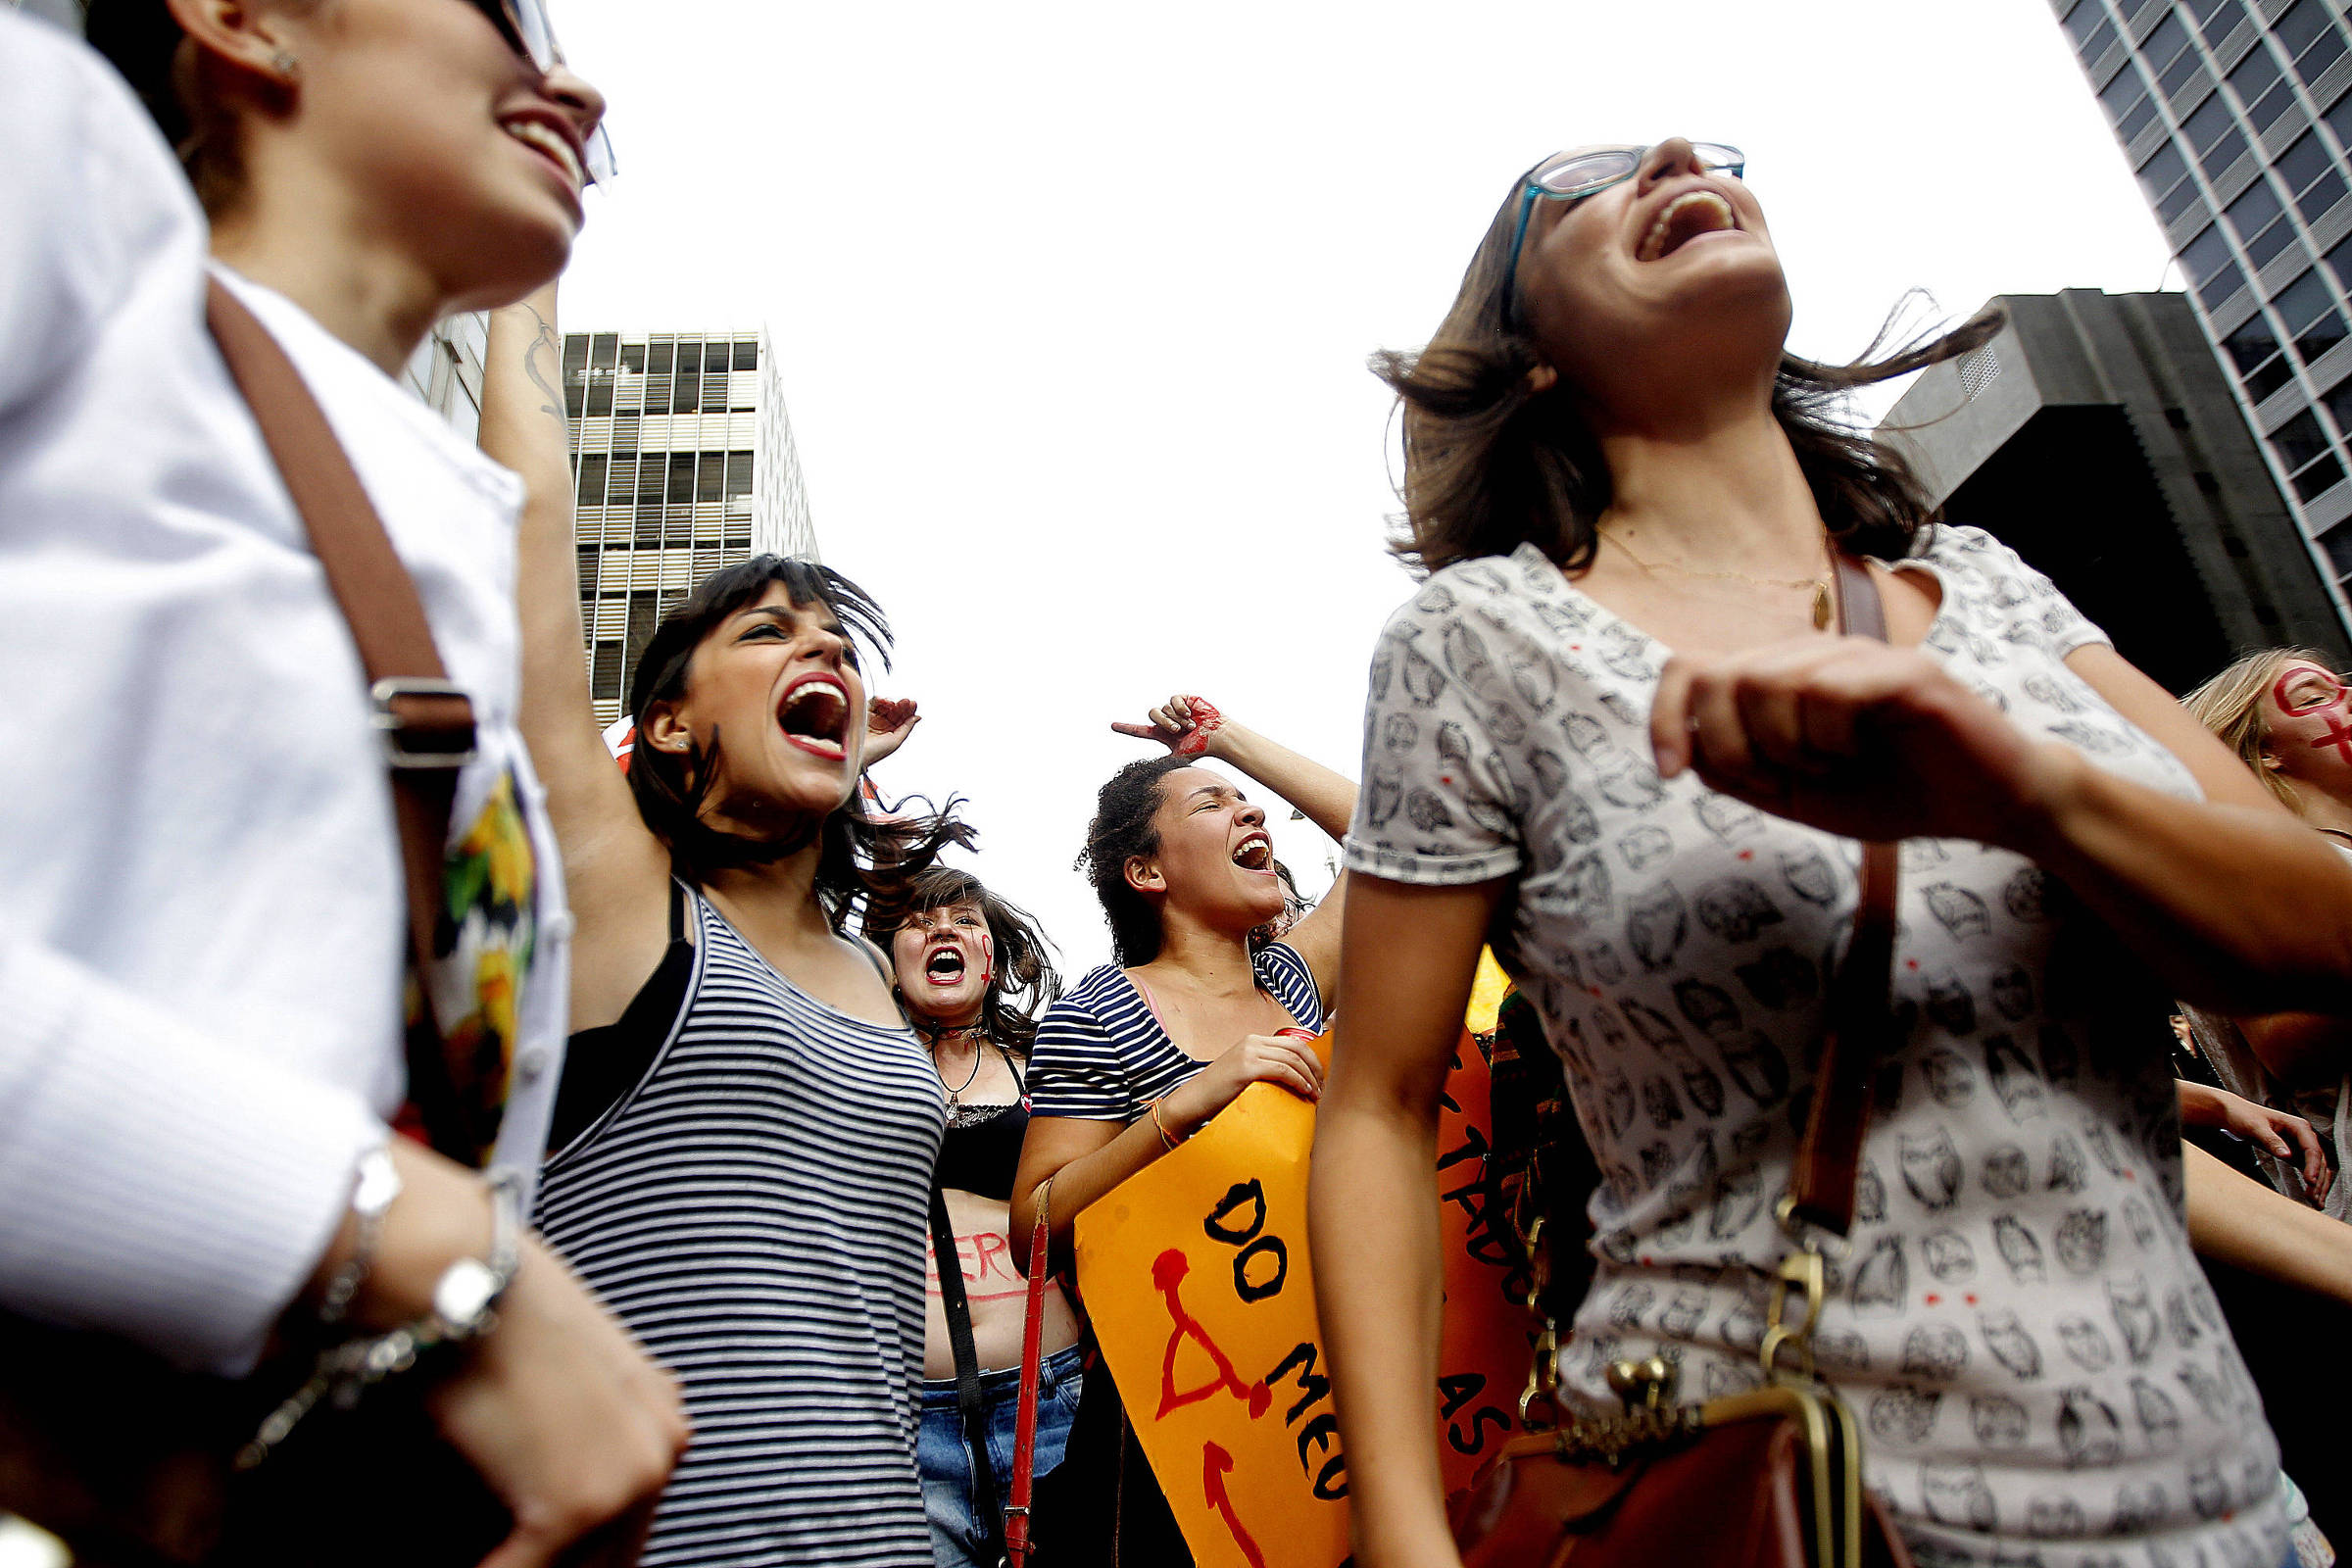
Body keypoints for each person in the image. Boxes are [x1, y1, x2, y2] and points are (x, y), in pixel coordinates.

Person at [1309, 139, 2352, 1568]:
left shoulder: (1985, 584)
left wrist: (2017, 793)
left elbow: (2318, 955)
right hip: (1773, 1496)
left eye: (1709, 152)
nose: (1679, 156)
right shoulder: (1479, 640)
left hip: (2222, 1503)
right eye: (1591, 175)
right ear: (1526, 349)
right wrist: (1406, 1535)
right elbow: (1374, 1102)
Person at [1, 3, 683, 1561]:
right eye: (501, 11)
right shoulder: (53, 167)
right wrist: (393, 1236)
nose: (566, 80)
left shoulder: (431, 545)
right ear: (241, 16)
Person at [479, 273, 958, 1565]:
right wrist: (526, 277)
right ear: (672, 725)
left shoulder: (871, 967)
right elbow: (517, 552)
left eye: (843, 652)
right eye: (766, 633)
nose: (829, 657)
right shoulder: (627, 899)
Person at [1009, 697, 1355, 1564]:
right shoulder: (1098, 1010)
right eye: (1211, 804)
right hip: (1182, 1437)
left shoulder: (1296, 979)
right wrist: (1187, 1105)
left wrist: (1225, 743)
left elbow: (1395, 837)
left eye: (1249, 802)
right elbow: (1035, 1227)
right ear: (1147, 873)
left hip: (1324, 1397)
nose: (1253, 811)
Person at [859, 866, 1087, 1567]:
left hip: (1050, 1401)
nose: (943, 932)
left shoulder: (1049, 1064)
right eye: (918, 923)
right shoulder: (852, 1068)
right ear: (883, 958)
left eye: (964, 919)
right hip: (899, 1424)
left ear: (994, 957)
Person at [2180, 649, 2352, 1216]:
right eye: (2315, 697)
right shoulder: (2251, 870)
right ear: (2266, 754)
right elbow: (2288, 1045)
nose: (2348, 699)